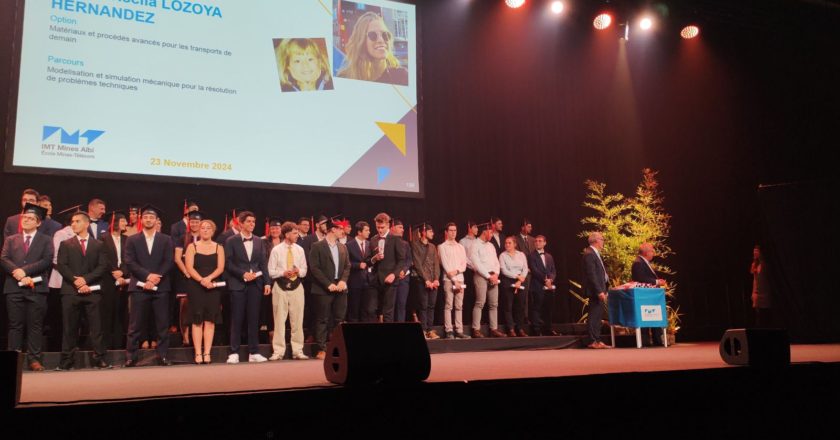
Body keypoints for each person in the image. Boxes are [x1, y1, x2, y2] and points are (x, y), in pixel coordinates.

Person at [55, 210, 111, 369]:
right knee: (69, 327)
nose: (73, 224)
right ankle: (67, 360)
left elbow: (102, 266)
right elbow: (62, 265)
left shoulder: (98, 244)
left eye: (77, 221)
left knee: (96, 327)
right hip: (70, 291)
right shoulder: (65, 244)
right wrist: (76, 281)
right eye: (72, 222)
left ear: (86, 224)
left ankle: (99, 358)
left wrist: (86, 280)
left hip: (92, 291)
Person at [1, 204, 53, 371]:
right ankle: (13, 360)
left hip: (36, 288)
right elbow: (4, 258)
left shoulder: (46, 240)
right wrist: (17, 272)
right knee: (15, 325)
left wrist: (23, 271)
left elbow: (46, 260)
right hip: (14, 288)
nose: (26, 220)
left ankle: (34, 360)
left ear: (38, 223)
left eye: (31, 219)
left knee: (35, 325)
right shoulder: (11, 239)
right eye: (24, 218)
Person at [124, 205, 175, 367]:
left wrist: (155, 277)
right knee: (135, 325)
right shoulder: (132, 239)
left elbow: (169, 261)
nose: (148, 220)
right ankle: (131, 357)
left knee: (162, 324)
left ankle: (163, 356)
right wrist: (147, 276)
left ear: (156, 220)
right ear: (141, 220)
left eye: (151, 218)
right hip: (139, 286)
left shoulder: (166, 239)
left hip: (161, 286)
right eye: (145, 217)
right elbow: (130, 262)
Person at [224, 211, 271, 364]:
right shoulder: (231, 240)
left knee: (254, 319)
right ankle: (234, 352)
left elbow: (263, 263)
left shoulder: (259, 241)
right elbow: (228, 263)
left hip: (255, 284)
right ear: (241, 223)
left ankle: (254, 351)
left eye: (253, 222)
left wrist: (267, 282)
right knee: (236, 319)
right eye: (249, 221)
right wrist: (243, 274)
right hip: (238, 284)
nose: (252, 224)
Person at [308, 219, 350, 360]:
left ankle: (338, 348)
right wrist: (328, 284)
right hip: (323, 289)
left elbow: (347, 267)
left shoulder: (342, 247)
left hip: (340, 288)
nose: (342, 232)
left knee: (339, 319)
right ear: (333, 229)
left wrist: (343, 281)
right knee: (322, 319)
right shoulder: (317, 246)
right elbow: (314, 268)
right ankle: (321, 348)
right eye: (340, 229)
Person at [266, 221, 309, 361]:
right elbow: (271, 271)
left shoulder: (299, 250)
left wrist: (298, 271)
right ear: (287, 234)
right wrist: (283, 273)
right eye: (295, 233)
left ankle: (298, 350)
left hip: (297, 287)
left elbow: (304, 269)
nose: (297, 235)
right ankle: (278, 351)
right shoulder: (276, 250)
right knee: (279, 320)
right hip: (280, 287)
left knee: (297, 320)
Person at [185, 219, 225, 365]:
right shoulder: (192, 246)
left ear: (213, 231)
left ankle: (207, 352)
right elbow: (189, 267)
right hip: (196, 286)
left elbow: (220, 268)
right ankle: (197, 353)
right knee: (197, 320)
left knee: (210, 320)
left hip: (212, 285)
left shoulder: (218, 247)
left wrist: (209, 279)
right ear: (199, 230)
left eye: (208, 228)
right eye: (203, 228)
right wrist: (202, 280)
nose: (205, 230)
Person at [336, 11, 408, 85]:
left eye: (385, 35)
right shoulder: (345, 78)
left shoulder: (402, 77)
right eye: (373, 35)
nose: (381, 40)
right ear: (361, 41)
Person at [363, 213, 406, 322]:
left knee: (388, 312)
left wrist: (393, 274)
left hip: (390, 280)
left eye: (382, 227)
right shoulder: (373, 240)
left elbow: (401, 260)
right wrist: (374, 258)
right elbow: (368, 261)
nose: (380, 230)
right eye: (378, 227)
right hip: (375, 280)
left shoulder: (395, 239)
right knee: (370, 309)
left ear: (388, 225)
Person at [100, 211, 130, 350]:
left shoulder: (127, 239)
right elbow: (102, 257)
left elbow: (128, 258)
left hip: (123, 280)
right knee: (107, 312)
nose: (126, 223)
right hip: (107, 279)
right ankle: (105, 345)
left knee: (121, 312)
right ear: (115, 222)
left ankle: (119, 344)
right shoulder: (103, 238)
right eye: (123, 221)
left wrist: (122, 272)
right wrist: (114, 272)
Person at [173, 210, 203, 346]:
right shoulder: (182, 238)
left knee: (199, 306)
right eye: (192, 222)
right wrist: (186, 272)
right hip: (185, 276)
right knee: (184, 307)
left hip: (201, 277)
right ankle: (185, 337)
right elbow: (177, 258)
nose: (195, 224)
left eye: (197, 222)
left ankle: (198, 336)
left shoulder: (205, 237)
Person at [470, 222, 505, 338]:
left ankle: (493, 329)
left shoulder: (491, 246)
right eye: (491, 231)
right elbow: (477, 263)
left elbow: (496, 262)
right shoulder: (475, 244)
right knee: (480, 302)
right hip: (481, 276)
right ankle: (476, 329)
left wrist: (496, 274)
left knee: (494, 304)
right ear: (485, 231)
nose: (492, 234)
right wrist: (488, 276)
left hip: (493, 276)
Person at [631, 242, 667, 346]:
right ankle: (646, 342)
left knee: (654, 317)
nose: (653, 253)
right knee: (646, 318)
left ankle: (657, 341)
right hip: (644, 296)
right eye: (652, 251)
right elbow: (640, 278)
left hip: (650, 295)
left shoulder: (644, 262)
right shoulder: (638, 262)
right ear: (646, 252)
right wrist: (657, 282)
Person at [438, 223, 470, 339]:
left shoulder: (460, 247)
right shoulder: (442, 246)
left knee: (459, 306)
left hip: (460, 279)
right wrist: (453, 279)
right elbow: (445, 265)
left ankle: (459, 330)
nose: (453, 232)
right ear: (446, 232)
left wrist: (456, 272)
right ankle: (449, 330)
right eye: (451, 230)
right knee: (448, 305)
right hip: (448, 280)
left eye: (455, 230)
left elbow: (464, 265)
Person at [412, 223, 441, 339]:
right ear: (424, 232)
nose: (432, 233)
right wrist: (426, 280)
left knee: (431, 306)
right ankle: (423, 330)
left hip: (433, 281)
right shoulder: (415, 245)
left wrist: (436, 279)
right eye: (430, 231)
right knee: (423, 306)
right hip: (422, 280)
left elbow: (436, 264)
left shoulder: (433, 247)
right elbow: (418, 264)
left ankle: (430, 329)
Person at [582, 232, 611, 349]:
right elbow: (592, 275)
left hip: (600, 289)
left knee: (598, 315)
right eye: (602, 239)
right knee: (594, 315)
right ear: (595, 241)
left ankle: (597, 340)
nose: (603, 241)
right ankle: (593, 340)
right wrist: (599, 291)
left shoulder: (595, 253)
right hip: (595, 290)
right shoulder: (589, 254)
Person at [528, 235, 559, 336]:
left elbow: (553, 270)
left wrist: (551, 280)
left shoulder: (549, 256)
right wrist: (545, 280)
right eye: (536, 241)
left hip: (549, 287)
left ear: (545, 243)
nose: (537, 243)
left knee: (548, 308)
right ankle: (536, 329)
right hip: (537, 285)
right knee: (537, 308)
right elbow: (534, 270)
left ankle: (548, 328)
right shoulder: (531, 255)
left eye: (540, 241)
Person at [499, 236, 529, 337]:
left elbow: (525, 268)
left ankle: (520, 328)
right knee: (508, 306)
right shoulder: (502, 255)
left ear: (515, 244)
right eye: (506, 243)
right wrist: (516, 277)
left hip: (521, 281)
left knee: (520, 306)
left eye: (509, 243)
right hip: (508, 281)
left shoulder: (521, 254)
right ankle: (511, 329)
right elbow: (503, 270)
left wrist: (521, 279)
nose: (507, 245)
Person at [346, 221, 371, 323]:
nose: (369, 232)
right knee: (354, 310)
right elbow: (346, 263)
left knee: (366, 310)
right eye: (366, 230)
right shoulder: (348, 245)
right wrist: (357, 265)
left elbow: (369, 261)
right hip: (354, 282)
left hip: (368, 282)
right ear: (359, 232)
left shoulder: (370, 244)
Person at [392, 219, 412, 322]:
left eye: (403, 228)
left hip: (403, 278)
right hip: (391, 278)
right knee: (391, 305)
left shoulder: (405, 244)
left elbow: (409, 260)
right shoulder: (388, 242)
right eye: (400, 227)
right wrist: (396, 272)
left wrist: (403, 271)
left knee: (401, 304)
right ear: (393, 228)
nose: (403, 230)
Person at [750, 245, 773, 327]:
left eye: (757, 251)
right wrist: (753, 293)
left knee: (765, 314)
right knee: (758, 316)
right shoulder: (754, 264)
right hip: (757, 293)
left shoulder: (764, 264)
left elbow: (767, 278)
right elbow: (754, 280)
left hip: (764, 292)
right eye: (754, 251)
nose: (755, 252)